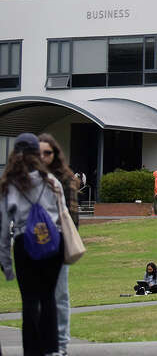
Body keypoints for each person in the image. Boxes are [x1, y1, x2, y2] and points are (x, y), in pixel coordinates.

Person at [0, 132, 65, 356]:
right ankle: (52, 349)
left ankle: (32, 351)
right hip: (53, 242)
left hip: (24, 243)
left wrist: (6, 265)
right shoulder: (52, 181)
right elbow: (62, 215)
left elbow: (3, 229)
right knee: (48, 297)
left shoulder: (9, 185)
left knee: (29, 301)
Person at [39, 132, 77, 352]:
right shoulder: (31, 178)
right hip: (35, 244)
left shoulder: (65, 179)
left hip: (58, 241)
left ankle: (61, 342)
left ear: (55, 154)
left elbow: (72, 216)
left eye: (48, 152)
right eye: (39, 152)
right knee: (40, 295)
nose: (43, 157)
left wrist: (67, 243)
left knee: (60, 294)